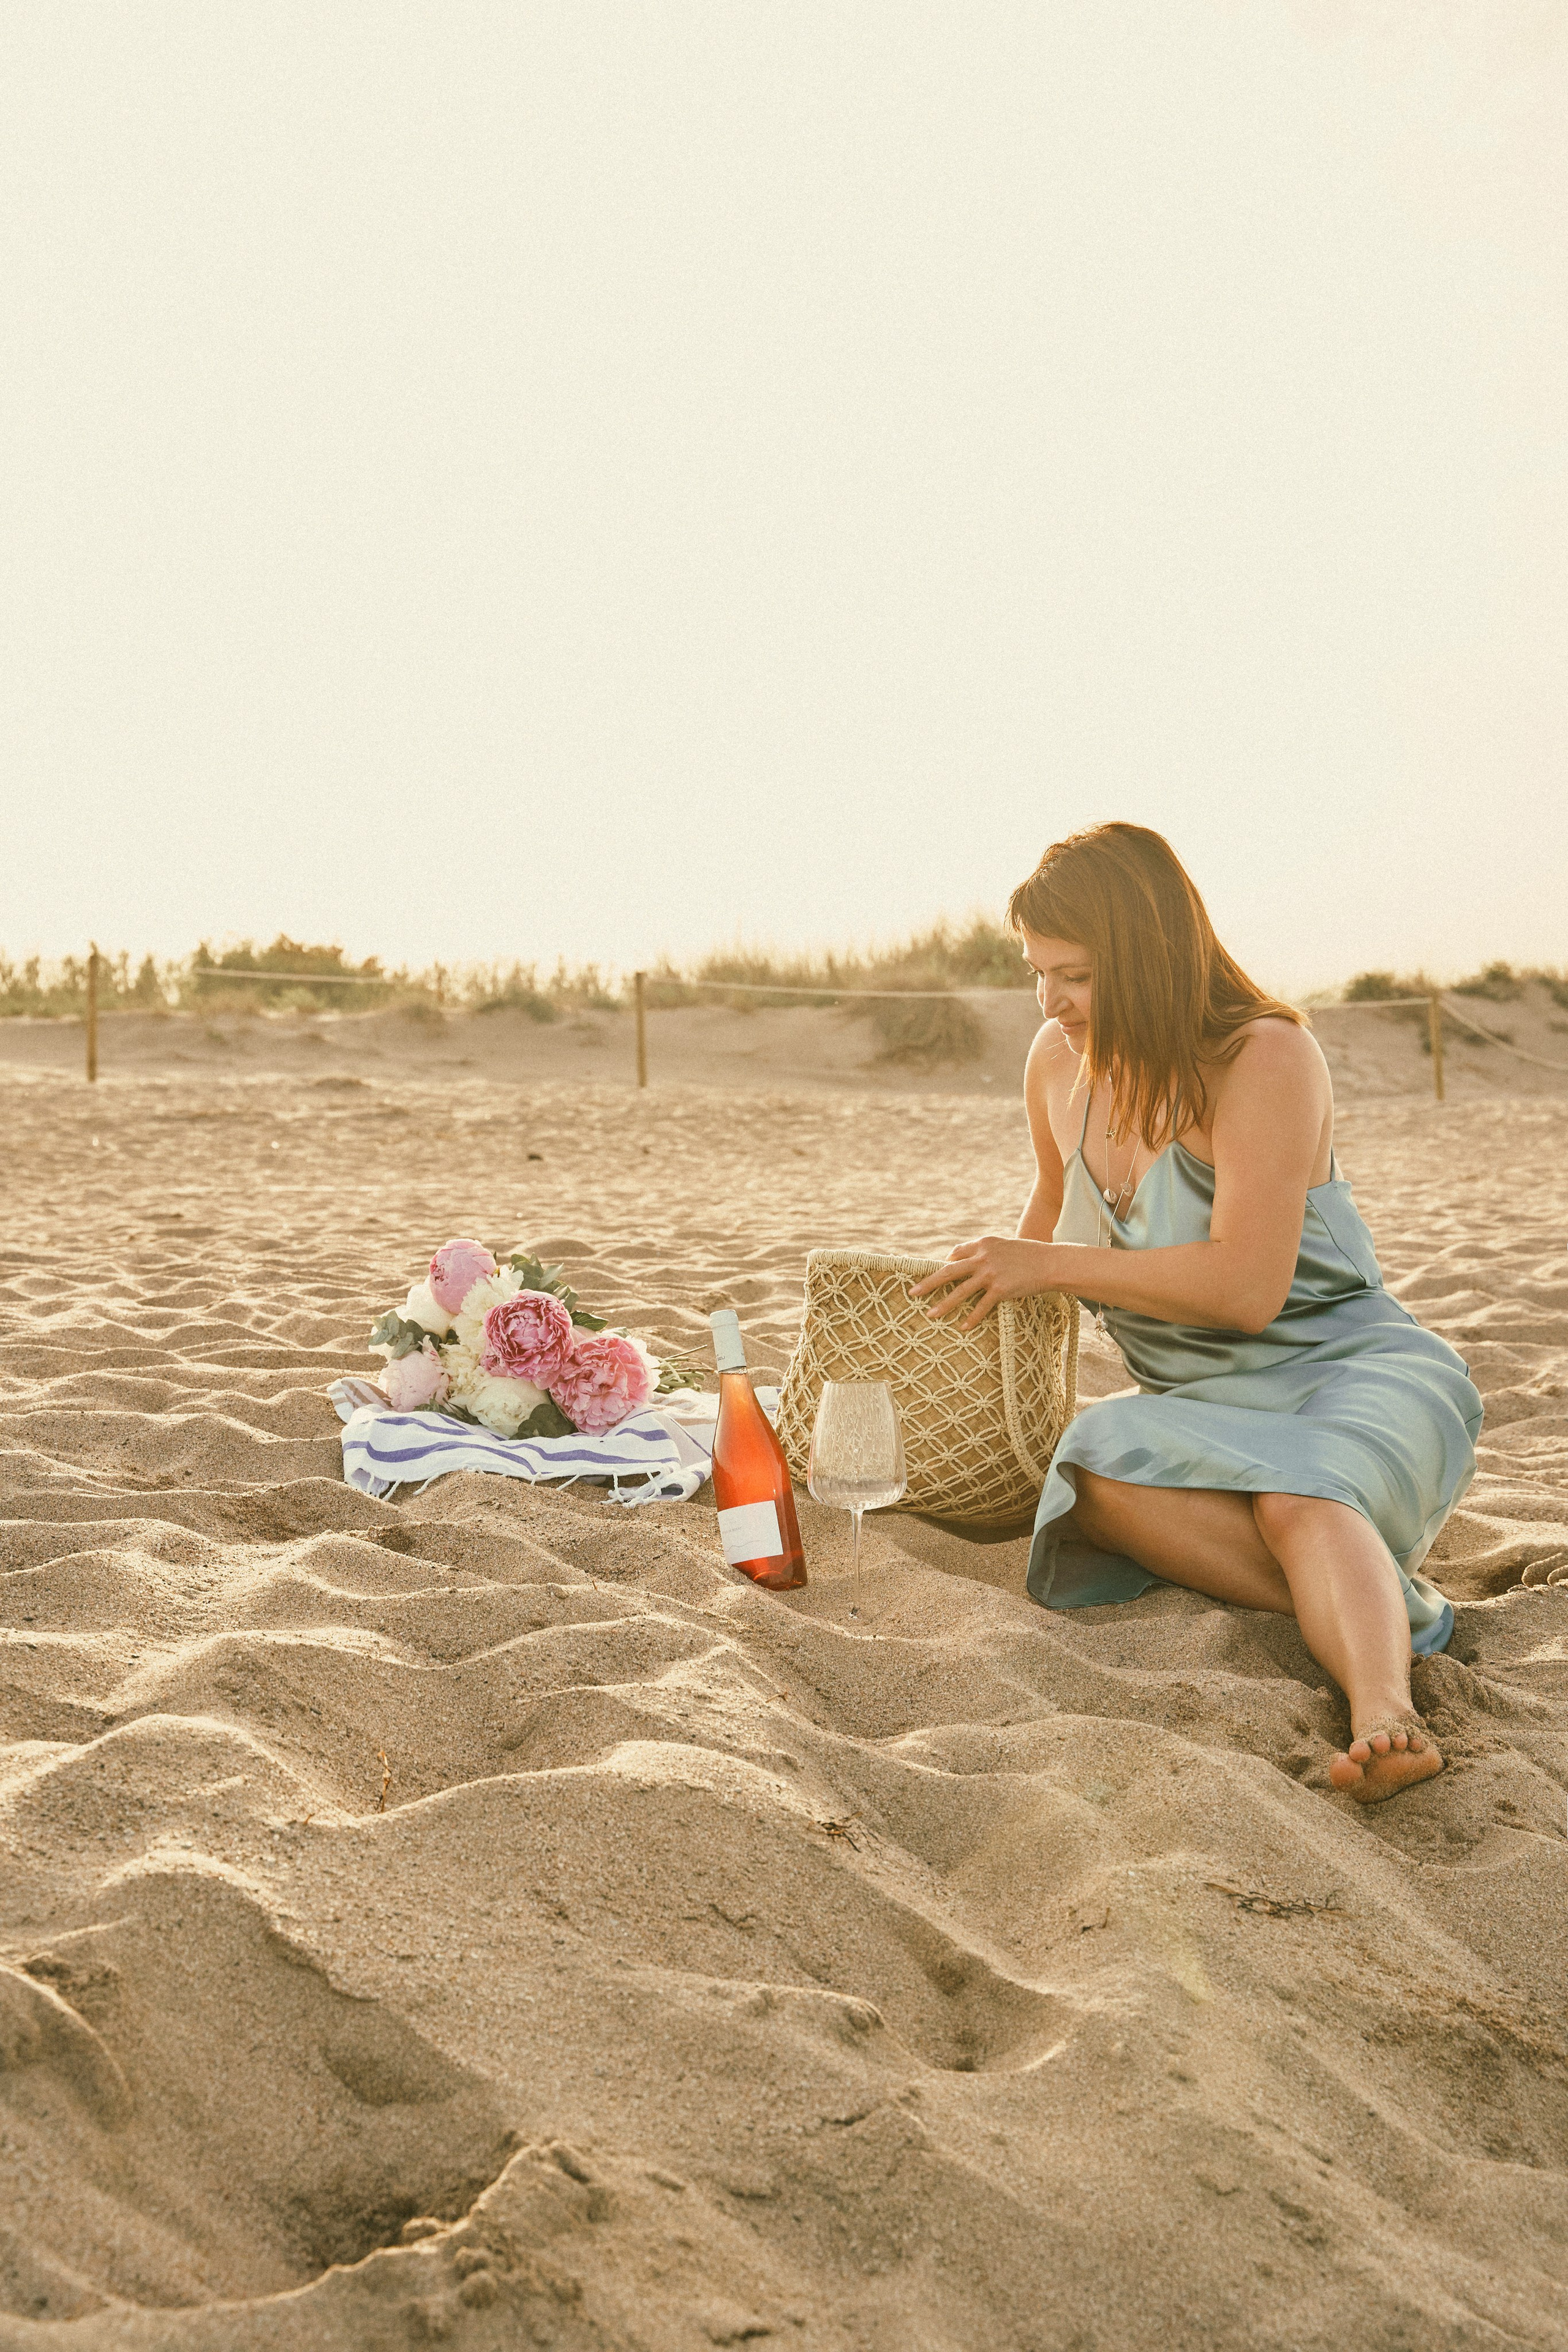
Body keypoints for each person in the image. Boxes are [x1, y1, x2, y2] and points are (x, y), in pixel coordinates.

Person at [912, 822, 1481, 1803]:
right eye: (1036, 973)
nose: (1051, 1003)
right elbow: (1045, 1218)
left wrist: (1045, 1265)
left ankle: (1386, 1708)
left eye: (1077, 976)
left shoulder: (1266, 1055)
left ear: (1146, 956)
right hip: (1198, 1400)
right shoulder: (1056, 1063)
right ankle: (1390, 1605)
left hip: (1346, 1373)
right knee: (1085, 1471)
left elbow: (1247, 1289)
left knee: (1299, 1495)